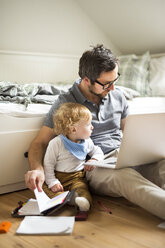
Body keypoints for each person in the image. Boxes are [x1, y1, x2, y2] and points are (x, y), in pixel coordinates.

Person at [25, 44, 165, 219]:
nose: (113, 88)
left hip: (123, 156)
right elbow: (40, 142)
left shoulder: (118, 96)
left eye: (115, 80)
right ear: (86, 80)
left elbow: (131, 132)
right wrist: (37, 169)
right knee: (126, 178)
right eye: (106, 84)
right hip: (96, 167)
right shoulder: (65, 103)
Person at [43, 102, 104, 212]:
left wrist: (95, 159)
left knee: (83, 189)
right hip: (58, 177)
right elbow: (48, 164)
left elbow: (98, 151)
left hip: (77, 177)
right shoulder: (56, 143)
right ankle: (67, 199)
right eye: (88, 124)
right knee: (46, 189)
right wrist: (52, 182)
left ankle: (82, 201)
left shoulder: (87, 142)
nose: (92, 127)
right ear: (73, 129)